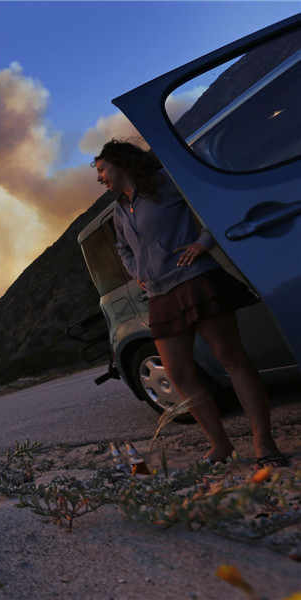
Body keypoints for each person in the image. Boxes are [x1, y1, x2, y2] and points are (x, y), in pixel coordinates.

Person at [93, 139, 287, 469]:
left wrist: (202, 243)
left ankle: (264, 443)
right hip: (159, 295)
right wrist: (137, 273)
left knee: (231, 358)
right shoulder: (119, 211)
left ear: (122, 162)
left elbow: (210, 206)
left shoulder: (165, 182)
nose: (99, 177)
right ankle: (220, 446)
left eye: (101, 169)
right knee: (180, 373)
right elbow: (124, 249)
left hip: (196, 280)